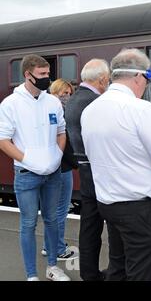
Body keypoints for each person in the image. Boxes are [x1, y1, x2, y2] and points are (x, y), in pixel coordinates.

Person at [81, 49, 151, 281]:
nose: (146, 85)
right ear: (139, 76)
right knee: (141, 272)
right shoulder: (141, 109)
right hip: (139, 209)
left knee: (118, 267)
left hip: (109, 204)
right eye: (147, 80)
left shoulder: (91, 110)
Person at [0, 54, 71, 281]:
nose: (46, 78)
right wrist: (28, 160)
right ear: (27, 75)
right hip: (26, 174)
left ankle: (52, 267)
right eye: (41, 75)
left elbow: (61, 131)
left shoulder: (52, 101)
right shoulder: (11, 104)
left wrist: (57, 155)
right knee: (28, 224)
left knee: (52, 220)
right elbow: (3, 140)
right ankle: (31, 274)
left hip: (52, 173)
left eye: (47, 74)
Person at [65, 59, 110, 281]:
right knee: (115, 222)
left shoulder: (74, 99)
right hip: (99, 169)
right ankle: (115, 272)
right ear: (102, 79)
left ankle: (89, 274)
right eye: (108, 78)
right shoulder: (95, 102)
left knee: (90, 225)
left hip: (85, 169)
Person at [40, 79, 78, 260]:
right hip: (61, 168)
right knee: (60, 210)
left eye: (69, 94)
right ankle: (57, 248)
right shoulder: (58, 112)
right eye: (64, 93)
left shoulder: (43, 109)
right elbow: (65, 142)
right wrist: (77, 162)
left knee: (51, 210)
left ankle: (49, 245)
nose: (67, 97)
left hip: (49, 166)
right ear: (55, 92)